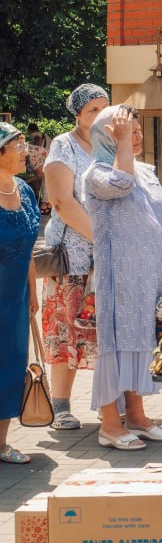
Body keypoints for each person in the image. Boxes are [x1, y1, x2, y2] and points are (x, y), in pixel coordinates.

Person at [82, 106, 162, 449]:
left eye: (138, 131)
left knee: (140, 342)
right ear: (105, 136)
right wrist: (123, 143)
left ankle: (137, 417)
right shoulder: (96, 173)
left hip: (150, 277)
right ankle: (110, 426)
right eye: (128, 131)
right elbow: (121, 184)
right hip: (121, 279)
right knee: (117, 345)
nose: (137, 135)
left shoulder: (145, 171)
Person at [41, 83, 107, 431]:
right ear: (78, 113)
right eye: (93, 109)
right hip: (73, 259)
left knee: (102, 332)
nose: (99, 115)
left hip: (106, 260)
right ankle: (61, 406)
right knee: (65, 331)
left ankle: (107, 405)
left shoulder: (109, 146)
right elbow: (63, 203)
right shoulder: (62, 146)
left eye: (104, 108)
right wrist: (102, 239)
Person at [0, 122, 40, 464]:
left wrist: (32, 291)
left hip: (16, 298)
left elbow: (28, 246)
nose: (26, 151)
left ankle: (1, 444)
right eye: (18, 145)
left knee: (12, 366)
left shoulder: (25, 192)